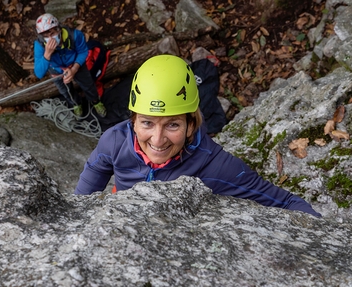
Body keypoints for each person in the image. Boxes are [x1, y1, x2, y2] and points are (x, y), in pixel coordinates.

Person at [74, 55, 321, 217]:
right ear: (134, 121)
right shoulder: (114, 141)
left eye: (172, 125)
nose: (158, 140)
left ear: (191, 123)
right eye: (147, 123)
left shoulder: (213, 165)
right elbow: (79, 204)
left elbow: (288, 203)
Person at [34, 13, 106, 118]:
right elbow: (39, 73)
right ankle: (77, 104)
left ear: (58, 29)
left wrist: (74, 68)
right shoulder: (40, 45)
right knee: (65, 91)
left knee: (88, 85)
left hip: (75, 64)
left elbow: (82, 52)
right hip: (56, 70)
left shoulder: (75, 35)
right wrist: (47, 54)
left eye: (52, 34)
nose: (50, 39)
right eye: (46, 36)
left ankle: (95, 101)